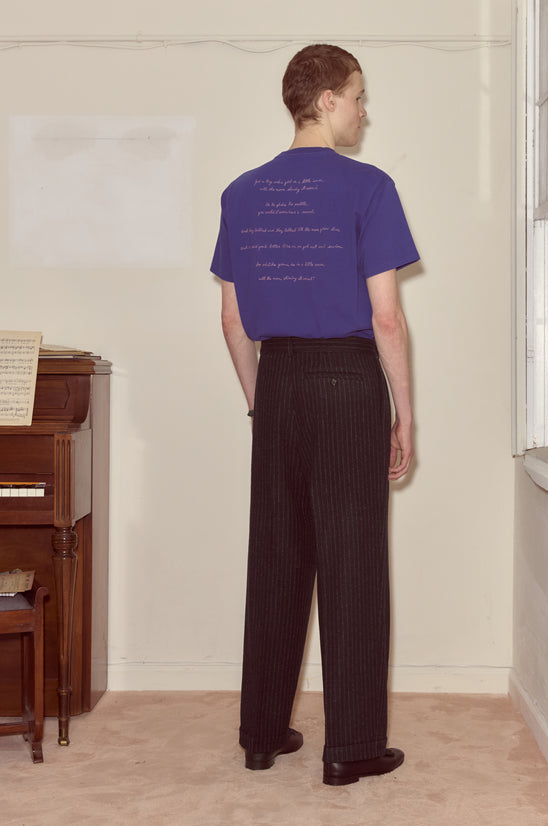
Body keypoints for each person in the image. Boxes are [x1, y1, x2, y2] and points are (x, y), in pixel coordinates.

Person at [211, 43, 419, 786]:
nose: (365, 111)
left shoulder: (241, 192)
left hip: (282, 383)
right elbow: (387, 319)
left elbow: (233, 320)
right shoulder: (368, 187)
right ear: (326, 99)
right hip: (348, 381)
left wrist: (261, 402)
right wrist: (404, 414)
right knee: (353, 557)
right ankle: (352, 746)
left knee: (276, 556)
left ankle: (261, 734)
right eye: (359, 96)